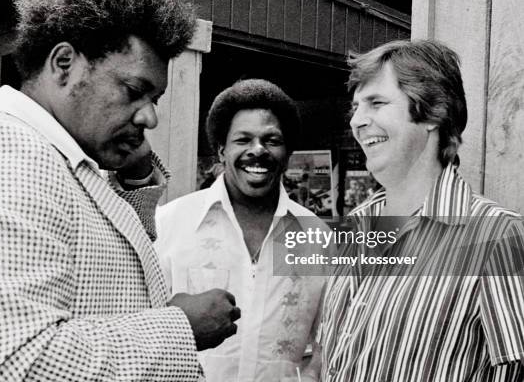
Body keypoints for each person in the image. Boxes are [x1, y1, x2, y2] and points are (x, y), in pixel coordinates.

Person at [0, 0, 239, 380]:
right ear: (64, 64)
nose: (151, 117)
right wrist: (180, 326)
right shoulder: (1, 150)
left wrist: (137, 179)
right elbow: (8, 365)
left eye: (154, 100)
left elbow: (103, 256)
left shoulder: (53, 154)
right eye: (133, 91)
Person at [303, 40, 524, 381]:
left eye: (376, 103)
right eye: (356, 107)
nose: (357, 122)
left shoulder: (498, 237)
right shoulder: (353, 229)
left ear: (434, 112)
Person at [155, 79, 329, 381]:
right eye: (243, 140)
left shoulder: (318, 237)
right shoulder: (170, 224)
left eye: (272, 140)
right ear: (221, 151)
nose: (257, 150)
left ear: (287, 154)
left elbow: (329, 339)